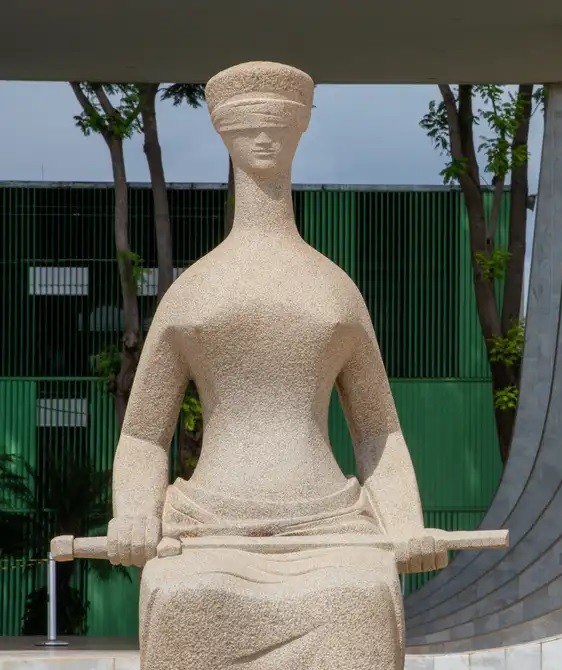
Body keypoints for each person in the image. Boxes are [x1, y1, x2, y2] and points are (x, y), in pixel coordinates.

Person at [106, 61, 444, 670]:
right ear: (224, 134)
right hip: (209, 527)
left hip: (330, 525)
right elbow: (143, 435)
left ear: (300, 130)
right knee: (188, 598)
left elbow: (378, 430)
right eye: (249, 127)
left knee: (361, 597)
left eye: (277, 126)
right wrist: (134, 513)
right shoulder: (193, 293)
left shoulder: (334, 290)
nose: (264, 138)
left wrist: (405, 522)